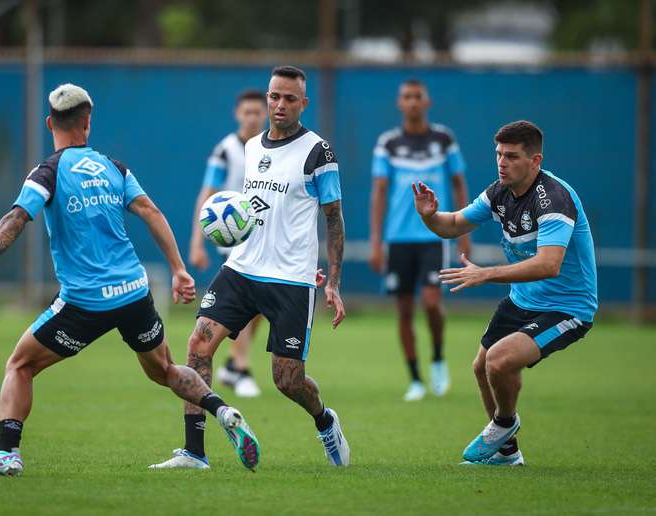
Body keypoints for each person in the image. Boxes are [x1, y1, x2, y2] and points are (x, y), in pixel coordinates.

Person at [0, 83, 259, 476]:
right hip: (134, 293)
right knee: (164, 370)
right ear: (88, 123)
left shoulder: (47, 172)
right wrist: (179, 269)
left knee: (20, 365)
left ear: (50, 123)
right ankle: (222, 409)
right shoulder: (114, 167)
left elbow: (15, 219)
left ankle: (7, 452)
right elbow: (150, 211)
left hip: (85, 302)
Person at [150, 65, 349, 469]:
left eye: (289, 98)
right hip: (241, 269)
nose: (279, 105)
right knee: (197, 346)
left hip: (291, 278)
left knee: (287, 380)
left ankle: (325, 421)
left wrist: (334, 282)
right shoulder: (252, 147)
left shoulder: (318, 152)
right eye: (274, 96)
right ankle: (194, 452)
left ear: (303, 103)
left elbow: (334, 217)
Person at [412, 120, 598, 466]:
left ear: (535, 161)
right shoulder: (499, 192)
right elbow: (452, 225)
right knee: (482, 366)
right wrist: (430, 215)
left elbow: (548, 265)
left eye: (511, 156)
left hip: (566, 308)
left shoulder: (553, 199)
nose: (502, 162)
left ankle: (504, 423)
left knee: (499, 361)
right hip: (523, 300)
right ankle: (507, 453)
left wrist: (486, 274)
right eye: (499, 154)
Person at [369, 78, 471, 402]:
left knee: (430, 301)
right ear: (400, 103)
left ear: (426, 102)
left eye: (417, 96)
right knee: (403, 309)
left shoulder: (443, 139)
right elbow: (379, 192)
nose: (412, 102)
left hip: (434, 235)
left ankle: (438, 358)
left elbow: (459, 183)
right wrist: (375, 241)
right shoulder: (388, 143)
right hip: (398, 238)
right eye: (406, 97)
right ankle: (415, 378)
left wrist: (463, 233)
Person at [189, 90, 268, 398]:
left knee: (260, 306)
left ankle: (233, 366)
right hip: (234, 239)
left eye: (257, 112)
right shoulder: (226, 151)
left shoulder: (269, 149)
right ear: (237, 113)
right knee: (245, 301)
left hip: (263, 237)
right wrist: (197, 243)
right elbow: (206, 194)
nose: (252, 117)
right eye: (246, 112)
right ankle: (243, 369)